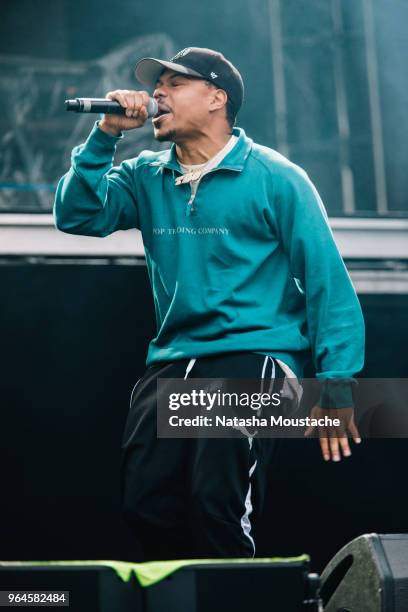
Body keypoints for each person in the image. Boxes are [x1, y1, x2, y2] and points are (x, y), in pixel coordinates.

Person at [53, 47, 365, 560]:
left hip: (254, 354)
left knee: (216, 502)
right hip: (174, 361)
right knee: (147, 505)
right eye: (157, 86)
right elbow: (78, 215)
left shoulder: (275, 176)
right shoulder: (144, 175)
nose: (157, 94)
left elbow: (326, 278)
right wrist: (105, 134)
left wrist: (336, 382)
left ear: (217, 98)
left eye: (175, 84)